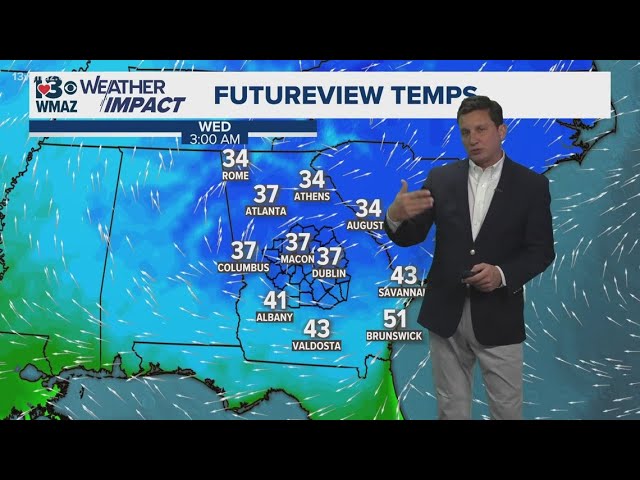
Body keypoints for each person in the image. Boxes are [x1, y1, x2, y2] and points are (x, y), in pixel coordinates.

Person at [384, 95, 555, 420]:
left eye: (481, 129)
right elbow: (410, 236)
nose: (473, 139)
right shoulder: (441, 179)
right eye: (465, 132)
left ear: (501, 131)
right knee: (450, 410)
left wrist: (501, 274)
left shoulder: (531, 186)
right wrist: (394, 215)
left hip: (499, 316)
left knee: (506, 411)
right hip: (445, 313)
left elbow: (541, 251)